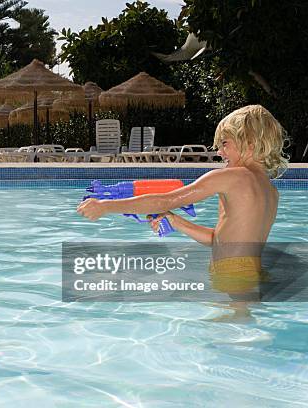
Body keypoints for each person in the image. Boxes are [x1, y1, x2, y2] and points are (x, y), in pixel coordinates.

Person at [77, 105, 288, 292]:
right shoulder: (271, 191)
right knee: (239, 324)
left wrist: (105, 206)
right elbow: (220, 241)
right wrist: (176, 221)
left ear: (249, 143)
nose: (220, 153)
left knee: (226, 328)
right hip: (251, 271)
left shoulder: (230, 177)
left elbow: (165, 201)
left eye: (225, 144)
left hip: (231, 272)